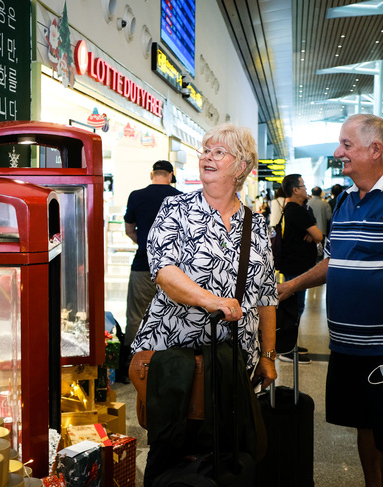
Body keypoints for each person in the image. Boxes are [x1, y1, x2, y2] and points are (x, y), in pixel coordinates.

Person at [279, 114, 383, 487]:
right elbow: (335, 261)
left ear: (375, 149)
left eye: (346, 145)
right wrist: (290, 287)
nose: (339, 152)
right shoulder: (347, 201)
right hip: (346, 347)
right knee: (364, 426)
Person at [130, 123, 278, 486]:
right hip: (172, 361)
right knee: (170, 448)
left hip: (232, 362)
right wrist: (213, 301)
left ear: (241, 166)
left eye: (218, 152)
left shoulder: (256, 226)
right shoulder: (175, 208)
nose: (206, 157)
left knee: (227, 450)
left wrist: (269, 356)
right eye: (205, 150)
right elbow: (163, 270)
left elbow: (265, 297)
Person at [120, 160, 182, 382]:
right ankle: (166, 364)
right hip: (174, 268)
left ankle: (132, 366)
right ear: (171, 175)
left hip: (143, 264)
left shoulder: (136, 196)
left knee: (137, 315)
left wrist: (146, 244)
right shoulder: (180, 198)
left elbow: (129, 229)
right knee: (172, 313)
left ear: (152, 174)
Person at [278, 174, 323, 364]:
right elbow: (319, 235)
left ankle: (292, 345)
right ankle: (286, 350)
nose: (306, 189)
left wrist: (311, 235)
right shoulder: (296, 210)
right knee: (294, 309)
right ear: (295, 190)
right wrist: (313, 235)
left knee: (296, 307)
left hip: (293, 265)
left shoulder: (293, 209)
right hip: (295, 266)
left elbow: (314, 235)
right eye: (303, 186)